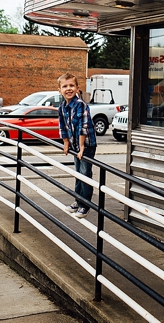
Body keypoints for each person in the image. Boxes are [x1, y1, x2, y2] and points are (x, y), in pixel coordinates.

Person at [57, 72, 96, 219]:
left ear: (78, 88)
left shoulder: (81, 105)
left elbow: (83, 127)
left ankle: (85, 205)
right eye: (65, 86)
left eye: (72, 85)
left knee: (85, 174)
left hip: (86, 145)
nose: (69, 89)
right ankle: (78, 200)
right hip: (75, 145)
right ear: (59, 90)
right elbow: (62, 126)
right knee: (78, 174)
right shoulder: (62, 107)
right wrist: (66, 143)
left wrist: (81, 147)